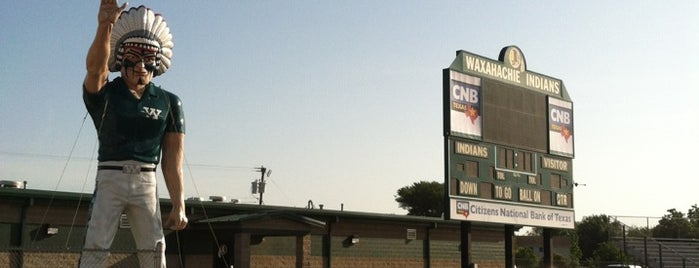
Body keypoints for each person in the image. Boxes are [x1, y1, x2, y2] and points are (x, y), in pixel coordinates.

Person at [79, 1, 187, 267]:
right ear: (120, 56)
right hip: (110, 176)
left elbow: (173, 159)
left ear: (158, 62)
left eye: (149, 59)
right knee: (96, 245)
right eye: (134, 57)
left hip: (146, 180)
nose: (141, 66)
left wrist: (178, 202)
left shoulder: (169, 102)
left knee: (154, 249)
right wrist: (105, 26)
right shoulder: (106, 94)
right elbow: (95, 70)